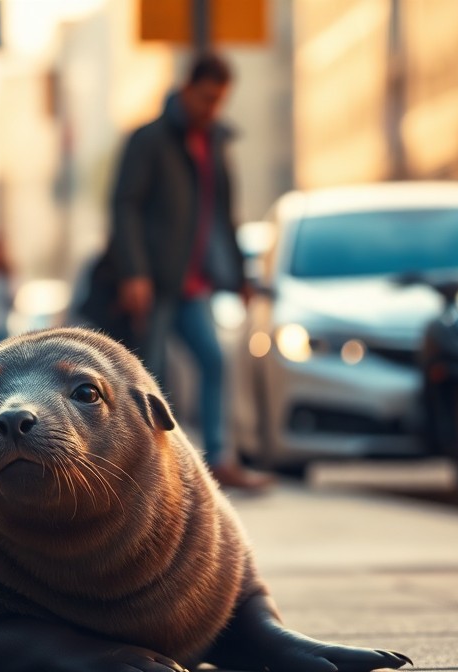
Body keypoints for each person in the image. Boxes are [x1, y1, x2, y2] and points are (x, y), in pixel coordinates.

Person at [110, 52, 271, 491]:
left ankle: (219, 458)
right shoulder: (149, 140)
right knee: (150, 374)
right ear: (185, 89)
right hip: (158, 281)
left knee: (214, 363)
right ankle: (147, 471)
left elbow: (223, 215)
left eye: (219, 100)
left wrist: (238, 277)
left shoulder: (215, 145)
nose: (211, 109)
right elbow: (125, 206)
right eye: (205, 98)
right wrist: (135, 272)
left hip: (193, 283)